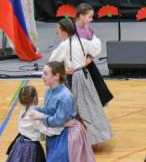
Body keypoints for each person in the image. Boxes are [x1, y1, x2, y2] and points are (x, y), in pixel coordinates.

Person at [29, 62, 110, 162]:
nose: (42, 76)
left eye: (46, 74)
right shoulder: (50, 91)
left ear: (56, 76)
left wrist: (42, 117)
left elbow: (58, 119)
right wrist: (37, 109)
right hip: (57, 135)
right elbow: (52, 112)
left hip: (68, 137)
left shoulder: (65, 96)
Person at [48, 18, 113, 146]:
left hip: (74, 79)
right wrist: (87, 59)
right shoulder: (82, 41)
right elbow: (96, 47)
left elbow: (52, 62)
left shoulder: (65, 45)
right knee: (89, 105)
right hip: (85, 75)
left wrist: (64, 70)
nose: (58, 34)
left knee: (76, 108)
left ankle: (78, 139)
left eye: (58, 31)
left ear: (64, 31)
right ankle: (94, 136)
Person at [75, 3, 114, 107]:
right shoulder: (74, 30)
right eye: (90, 17)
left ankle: (100, 99)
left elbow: (94, 43)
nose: (92, 19)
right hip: (78, 63)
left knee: (95, 80)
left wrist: (90, 57)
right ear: (81, 16)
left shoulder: (87, 28)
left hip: (88, 60)